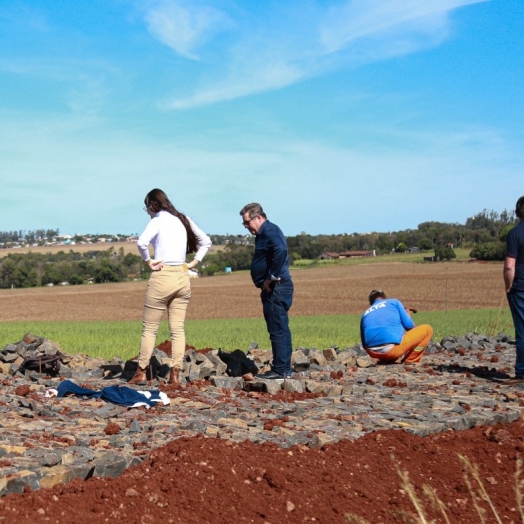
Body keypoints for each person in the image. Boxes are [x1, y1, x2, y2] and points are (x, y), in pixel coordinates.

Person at [129, 188, 211, 386]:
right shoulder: (184, 220)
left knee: (149, 329)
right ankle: (175, 374)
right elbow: (206, 241)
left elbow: (141, 243)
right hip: (182, 277)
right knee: (177, 329)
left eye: (146, 207)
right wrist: (193, 263)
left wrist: (148, 261)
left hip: (163, 276)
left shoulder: (157, 221)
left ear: (151, 204)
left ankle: (141, 372)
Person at [240, 203, 293, 379]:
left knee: (278, 329)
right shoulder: (265, 233)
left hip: (276, 288)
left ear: (259, 217)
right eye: (244, 223)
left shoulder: (269, 231)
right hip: (275, 287)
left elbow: (281, 250)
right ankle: (283, 368)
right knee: (279, 328)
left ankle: (281, 370)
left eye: (247, 222)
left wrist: (271, 276)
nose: (246, 226)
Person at [360, 290, 433, 364]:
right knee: (427, 329)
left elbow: (364, 344)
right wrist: (407, 314)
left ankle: (386, 359)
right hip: (391, 350)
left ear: (371, 302)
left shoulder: (365, 314)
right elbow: (409, 326)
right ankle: (411, 360)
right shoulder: (394, 302)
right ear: (385, 298)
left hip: (372, 353)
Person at [504, 195, 524, 384]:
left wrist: (508, 286)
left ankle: (522, 372)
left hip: (520, 287)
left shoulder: (515, 234)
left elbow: (510, 265)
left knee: (522, 330)